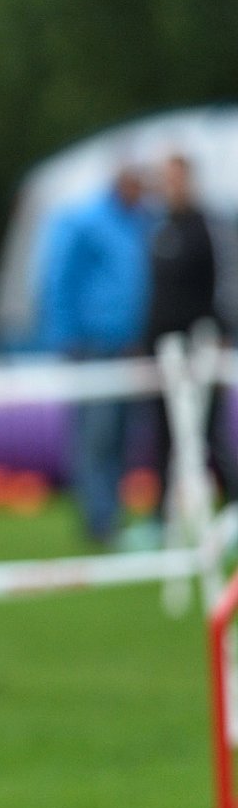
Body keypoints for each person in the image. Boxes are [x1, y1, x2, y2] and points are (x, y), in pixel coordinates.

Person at [38, 165, 156, 542]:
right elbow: (59, 279)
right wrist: (65, 335)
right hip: (91, 345)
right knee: (95, 436)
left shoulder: (142, 221)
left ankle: (112, 514)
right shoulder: (85, 220)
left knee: (122, 436)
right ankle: (98, 519)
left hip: (128, 345)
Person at [147, 153, 237, 520]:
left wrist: (224, 331)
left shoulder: (210, 227)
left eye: (177, 178)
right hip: (162, 344)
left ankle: (231, 504)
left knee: (209, 430)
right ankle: (162, 516)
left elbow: (226, 282)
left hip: (202, 342)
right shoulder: (156, 227)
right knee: (163, 432)